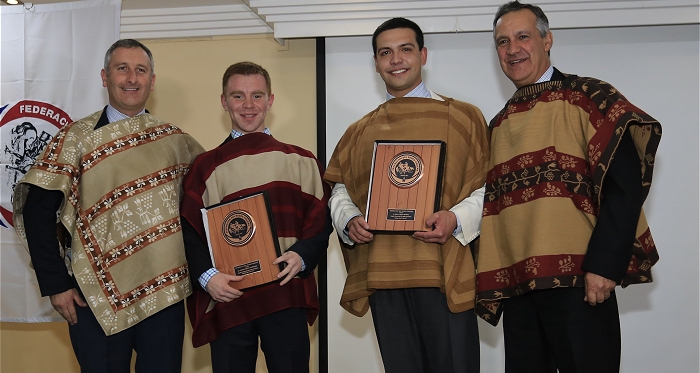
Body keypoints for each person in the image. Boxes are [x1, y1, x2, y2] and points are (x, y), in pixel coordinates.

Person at [475, 2, 662, 372]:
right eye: (502, 41)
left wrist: (605, 267)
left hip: (582, 284)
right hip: (520, 293)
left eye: (523, 36)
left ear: (547, 40)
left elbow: (623, 190)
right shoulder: (497, 125)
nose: (512, 49)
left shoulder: (591, 97)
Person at [12, 39, 204, 372]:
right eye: (122, 69)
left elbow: (202, 212)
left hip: (164, 295)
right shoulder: (74, 139)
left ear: (152, 80)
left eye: (140, 70)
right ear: (105, 77)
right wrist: (57, 286)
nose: (132, 78)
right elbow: (36, 212)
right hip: (92, 298)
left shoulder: (175, 143)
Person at [324, 17, 489, 373]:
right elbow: (339, 191)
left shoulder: (463, 117)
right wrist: (349, 219)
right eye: (386, 53)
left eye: (405, 49)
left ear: (423, 55)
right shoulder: (358, 131)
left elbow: (486, 187)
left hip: (442, 270)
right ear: (376, 63)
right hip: (384, 274)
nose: (396, 59)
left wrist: (456, 218)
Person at [180, 61, 332, 373]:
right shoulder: (205, 166)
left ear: (270, 100)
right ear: (224, 102)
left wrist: (302, 256)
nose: (248, 105)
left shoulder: (301, 160)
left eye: (257, 96)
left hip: (286, 292)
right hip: (229, 296)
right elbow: (190, 229)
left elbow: (320, 218)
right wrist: (208, 278)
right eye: (238, 96)